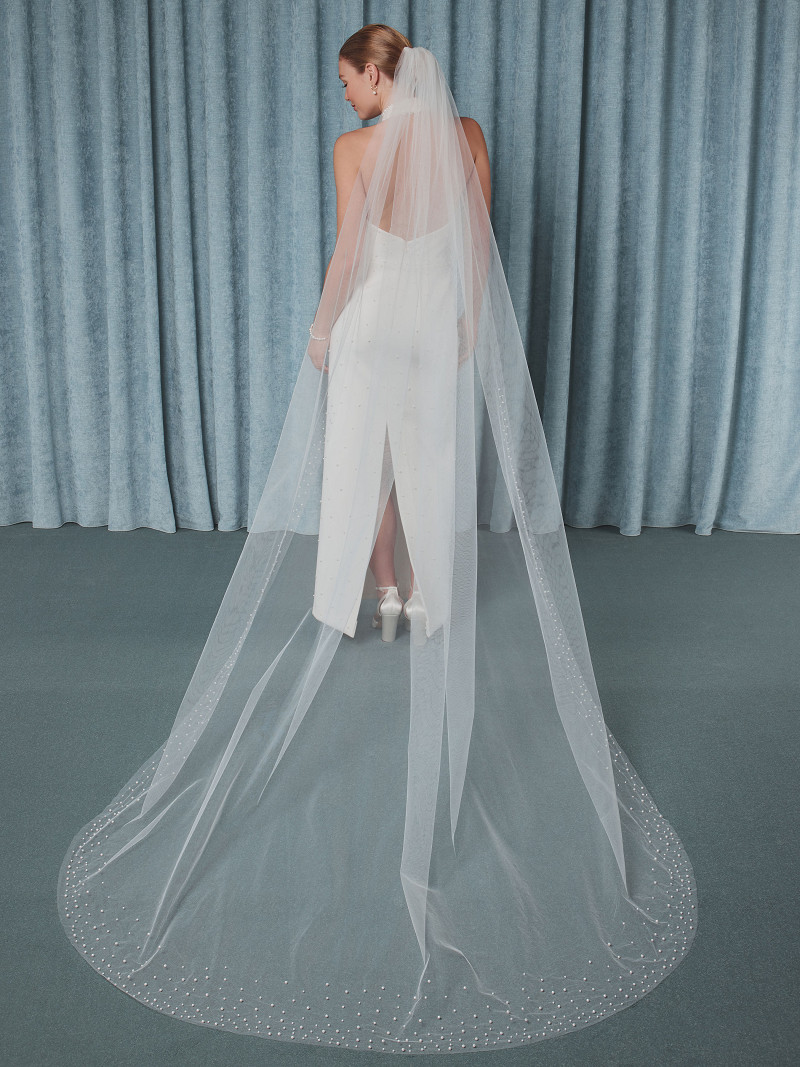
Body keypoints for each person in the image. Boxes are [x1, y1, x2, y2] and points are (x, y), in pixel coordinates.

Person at [58, 26, 697, 1054]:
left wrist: (319, 331)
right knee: (427, 464)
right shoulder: (468, 136)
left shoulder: (353, 149)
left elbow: (349, 252)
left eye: (348, 78)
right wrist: (470, 328)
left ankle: (375, 589)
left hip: (372, 324)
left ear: (376, 74)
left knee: (362, 468)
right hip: (438, 322)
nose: (345, 94)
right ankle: (415, 595)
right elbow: (478, 244)